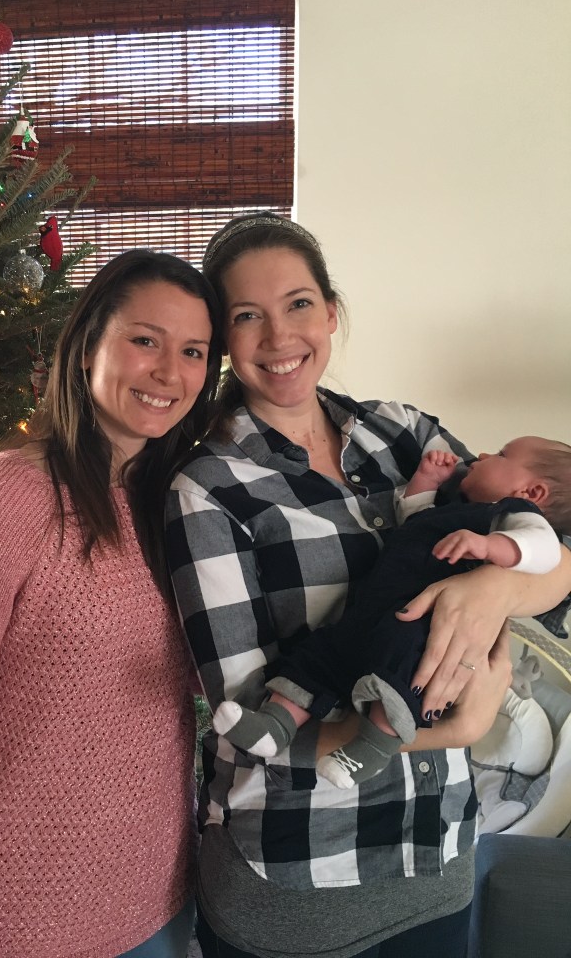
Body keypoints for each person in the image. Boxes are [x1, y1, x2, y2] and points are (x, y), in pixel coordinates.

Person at [164, 213, 571, 958]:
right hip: (291, 889)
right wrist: (452, 732)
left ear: (330, 312)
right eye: (247, 316)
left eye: (297, 304)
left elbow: (550, 550)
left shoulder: (403, 434)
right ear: (223, 341)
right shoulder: (209, 487)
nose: (279, 336)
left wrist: (492, 593)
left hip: (435, 867)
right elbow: (246, 719)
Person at [0, 250, 222, 958]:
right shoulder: (1, 501)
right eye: (146, 340)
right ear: (87, 345)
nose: (170, 372)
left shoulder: (176, 506)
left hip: (159, 907)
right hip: (9, 927)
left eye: (193, 351)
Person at [210, 438, 570, 788]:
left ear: (532, 492)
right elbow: (414, 520)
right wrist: (426, 481)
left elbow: (547, 551)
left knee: (399, 676)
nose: (484, 453)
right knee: (319, 657)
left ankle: (373, 746)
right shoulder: (454, 506)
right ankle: (274, 724)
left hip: (416, 620)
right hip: (366, 613)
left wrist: (492, 548)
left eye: (502, 454)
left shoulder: (513, 516)